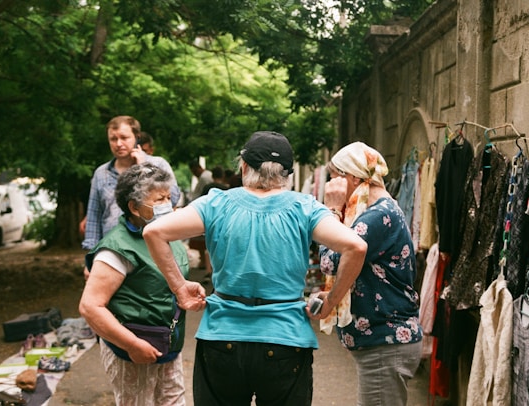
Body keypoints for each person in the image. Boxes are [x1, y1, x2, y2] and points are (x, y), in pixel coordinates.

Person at [143, 131, 367, 406]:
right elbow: (356, 247)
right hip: (286, 341)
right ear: (287, 175)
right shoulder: (304, 207)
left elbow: (154, 232)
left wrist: (180, 288)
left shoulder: (216, 203)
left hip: (221, 339)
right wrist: (331, 301)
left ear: (244, 167)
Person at [79, 162, 206, 406]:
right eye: (159, 199)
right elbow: (90, 307)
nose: (167, 204)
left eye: (169, 197)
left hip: (168, 344)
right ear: (134, 207)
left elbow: (157, 276)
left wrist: (183, 286)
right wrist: (132, 345)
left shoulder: (166, 234)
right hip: (132, 350)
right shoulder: (118, 248)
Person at [319, 141, 423, 406]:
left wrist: (331, 209)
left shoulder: (376, 217)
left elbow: (330, 260)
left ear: (353, 177)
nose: (331, 185)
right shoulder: (378, 212)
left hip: (384, 345)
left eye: (335, 177)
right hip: (383, 344)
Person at [82, 116, 180, 278]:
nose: (118, 143)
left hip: (151, 250)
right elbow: (94, 216)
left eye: (124, 138)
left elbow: (173, 199)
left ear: (137, 138)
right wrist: (89, 261)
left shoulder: (158, 164)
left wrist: (143, 168)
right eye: (113, 139)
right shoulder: (101, 173)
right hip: (112, 253)